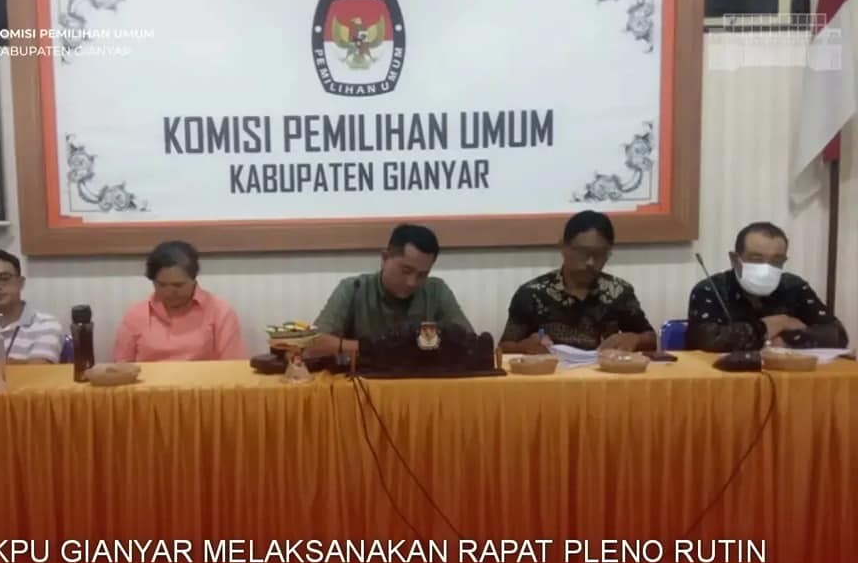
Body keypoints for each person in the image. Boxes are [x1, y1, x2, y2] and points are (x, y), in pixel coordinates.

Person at [499, 210, 657, 353]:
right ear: (563, 247)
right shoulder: (532, 294)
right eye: (583, 252)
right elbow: (504, 347)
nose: (590, 262)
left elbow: (650, 339)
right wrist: (524, 347)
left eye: (599, 254)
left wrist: (635, 339)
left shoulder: (619, 291)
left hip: (603, 372)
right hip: (552, 373)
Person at [313, 224, 474, 356]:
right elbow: (313, 344)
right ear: (384, 259)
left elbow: (471, 343)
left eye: (422, 275)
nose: (412, 283)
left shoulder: (436, 290)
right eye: (406, 270)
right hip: (366, 382)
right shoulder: (354, 288)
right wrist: (373, 348)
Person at [686, 222, 848, 351]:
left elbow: (837, 335)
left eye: (776, 261)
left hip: (787, 376)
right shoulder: (710, 289)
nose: (766, 268)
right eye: (756, 259)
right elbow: (706, 340)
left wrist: (783, 341)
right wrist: (775, 324)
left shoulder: (794, 287)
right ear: (735, 259)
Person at [113, 240, 248, 362]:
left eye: (178, 285)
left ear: (194, 279)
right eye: (161, 285)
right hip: (149, 382)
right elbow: (120, 367)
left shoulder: (220, 312)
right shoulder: (136, 314)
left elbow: (234, 366)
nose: (169, 292)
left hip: (203, 381)